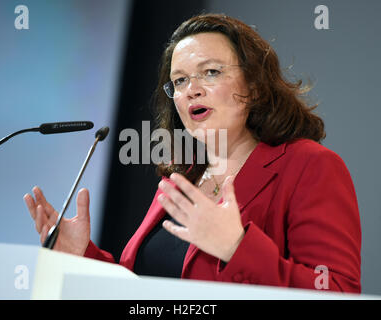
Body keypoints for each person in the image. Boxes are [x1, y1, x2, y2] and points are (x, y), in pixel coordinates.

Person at [24, 14, 361, 293]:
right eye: (180, 80)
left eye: (211, 72)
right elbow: (142, 288)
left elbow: (338, 291)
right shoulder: (183, 178)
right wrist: (81, 256)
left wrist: (237, 248)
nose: (192, 89)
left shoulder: (308, 166)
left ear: (255, 86)